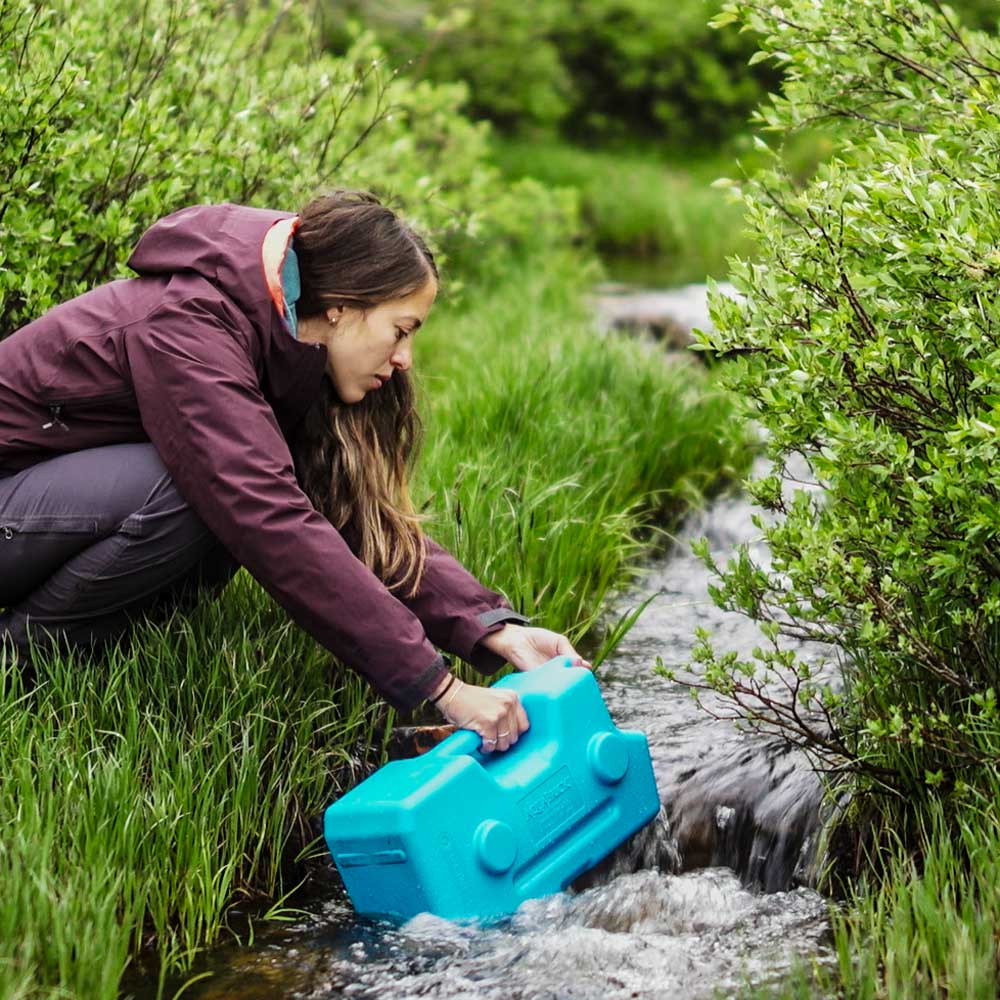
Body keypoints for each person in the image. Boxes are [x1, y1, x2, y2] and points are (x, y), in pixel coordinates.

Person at [0, 191, 588, 752]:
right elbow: (267, 514)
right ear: (341, 307)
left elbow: (349, 513)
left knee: (215, 493)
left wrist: (493, 628)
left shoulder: (287, 345)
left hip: (33, 511)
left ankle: (68, 656)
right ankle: (16, 664)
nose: (406, 357)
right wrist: (442, 689)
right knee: (196, 494)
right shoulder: (189, 324)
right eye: (402, 330)